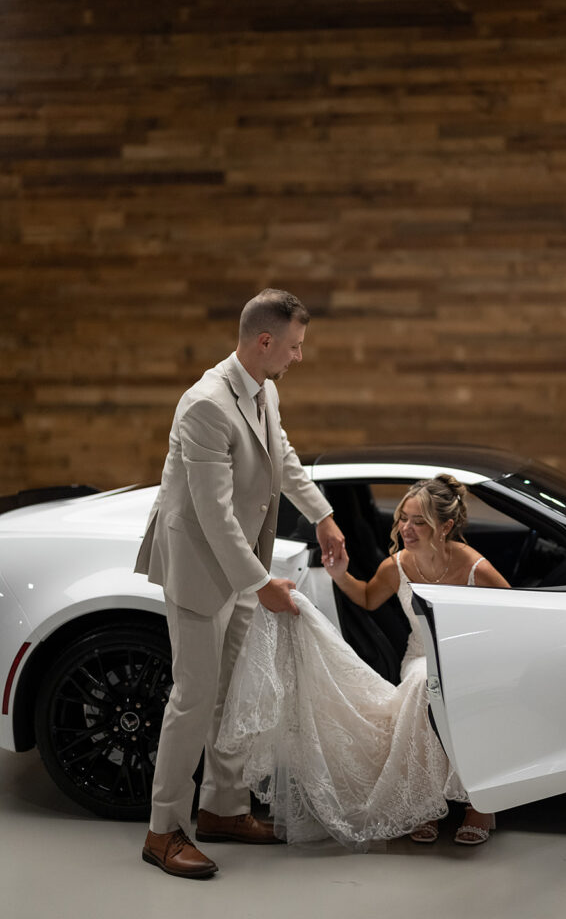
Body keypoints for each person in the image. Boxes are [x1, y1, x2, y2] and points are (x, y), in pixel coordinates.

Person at [135, 288, 344, 879]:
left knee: (230, 698)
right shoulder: (205, 405)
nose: (299, 357)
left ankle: (222, 810)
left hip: (242, 566)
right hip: (202, 571)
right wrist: (262, 585)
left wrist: (323, 515)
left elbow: (284, 455)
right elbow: (212, 515)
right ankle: (162, 831)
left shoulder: (265, 390)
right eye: (295, 346)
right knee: (193, 700)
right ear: (264, 341)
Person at [217, 474, 509, 849]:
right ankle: (426, 804)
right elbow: (369, 598)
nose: (406, 528)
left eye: (418, 521)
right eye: (403, 518)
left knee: (446, 689)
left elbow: (511, 612)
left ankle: (477, 805)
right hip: (421, 657)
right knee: (423, 684)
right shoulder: (398, 565)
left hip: (468, 660)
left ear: (446, 526)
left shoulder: (474, 567)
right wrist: (340, 574)